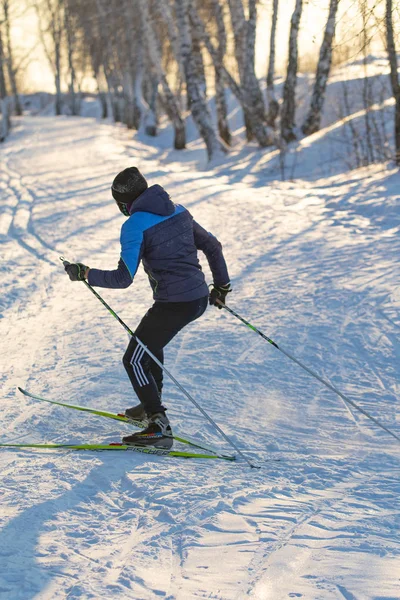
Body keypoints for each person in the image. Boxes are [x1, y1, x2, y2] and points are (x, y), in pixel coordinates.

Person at [64, 167, 231, 449]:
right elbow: (213, 246)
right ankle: (148, 405)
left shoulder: (134, 225)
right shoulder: (178, 210)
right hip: (197, 299)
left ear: (122, 202)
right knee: (150, 346)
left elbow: (123, 278)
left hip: (174, 304)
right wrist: (221, 287)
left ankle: (158, 425)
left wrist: (85, 273)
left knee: (133, 359)